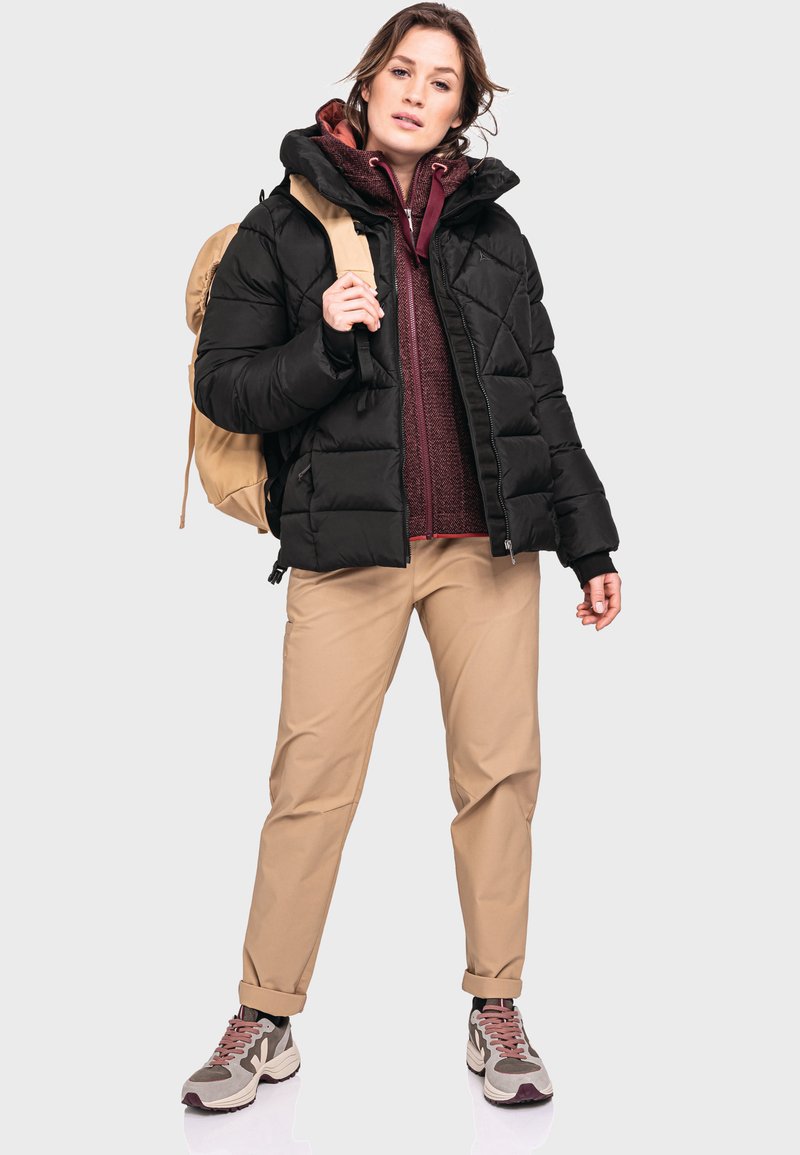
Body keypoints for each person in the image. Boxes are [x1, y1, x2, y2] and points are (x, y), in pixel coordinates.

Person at [181, 2, 621, 1113]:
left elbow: (539, 396)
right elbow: (224, 387)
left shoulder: (493, 235)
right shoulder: (282, 226)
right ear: (369, 80)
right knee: (309, 786)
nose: (418, 93)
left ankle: (495, 1007)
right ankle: (265, 1015)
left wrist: (589, 538)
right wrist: (325, 338)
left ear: (463, 107)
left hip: (485, 549)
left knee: (500, 778)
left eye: (442, 80)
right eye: (403, 71)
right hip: (348, 549)